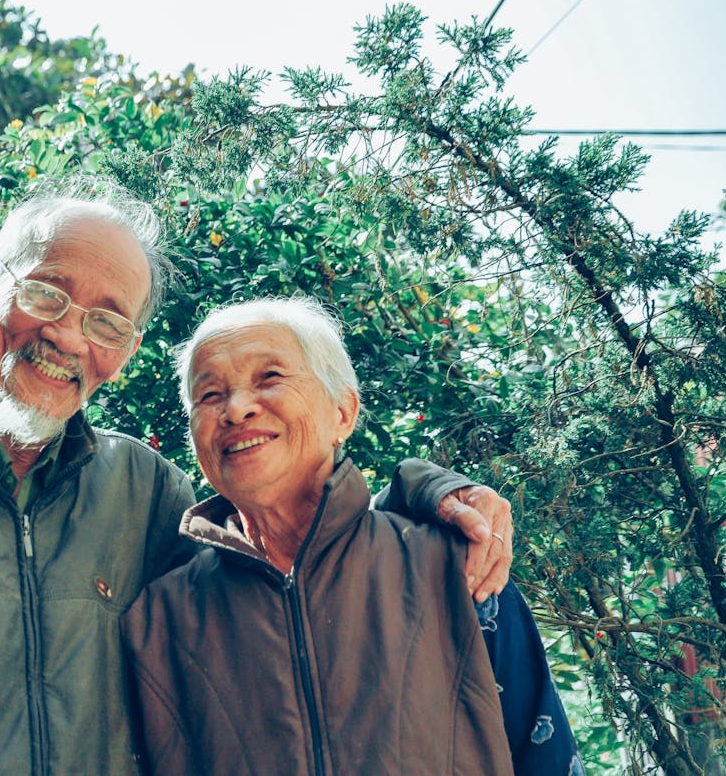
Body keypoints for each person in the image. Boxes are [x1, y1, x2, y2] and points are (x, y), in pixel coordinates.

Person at [0, 176, 516, 775]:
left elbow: (290, 565)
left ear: (124, 351)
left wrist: (426, 490)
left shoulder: (146, 491)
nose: (69, 336)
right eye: (45, 293)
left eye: (107, 320)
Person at [121, 297, 583, 776]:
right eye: (210, 395)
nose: (236, 409)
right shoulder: (159, 619)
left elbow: (544, 751)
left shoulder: (455, 564)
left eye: (270, 378)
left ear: (342, 413)